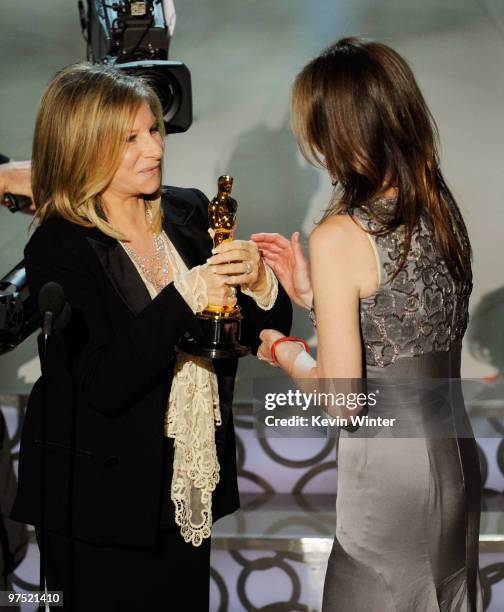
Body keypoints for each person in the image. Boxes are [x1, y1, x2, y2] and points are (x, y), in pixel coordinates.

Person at [9, 62, 292, 611]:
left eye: (154, 130)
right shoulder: (60, 247)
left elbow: (255, 326)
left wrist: (260, 283)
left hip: (185, 493)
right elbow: (103, 383)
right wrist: (185, 296)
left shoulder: (188, 212)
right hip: (100, 506)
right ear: (82, 147)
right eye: (129, 139)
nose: (155, 149)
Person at [253, 38, 482, 611]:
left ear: (338, 132)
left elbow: (344, 401)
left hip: (389, 473)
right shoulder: (435, 205)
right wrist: (314, 298)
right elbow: (403, 327)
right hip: (453, 456)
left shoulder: (340, 235)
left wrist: (283, 350)